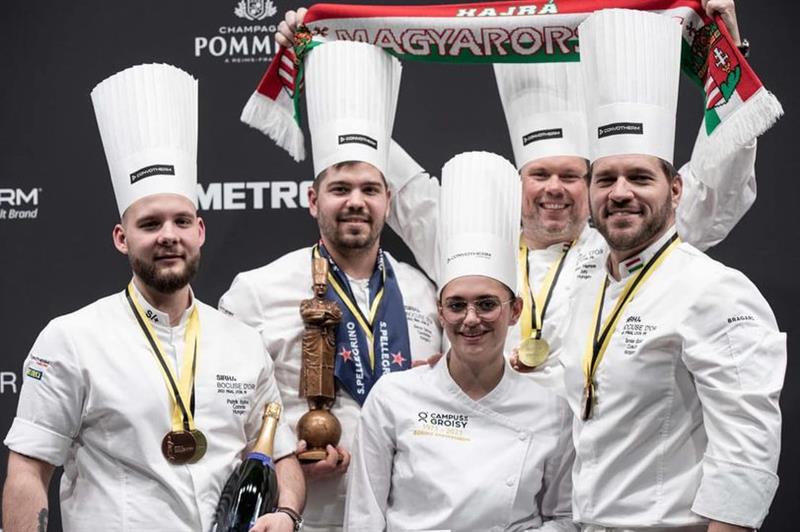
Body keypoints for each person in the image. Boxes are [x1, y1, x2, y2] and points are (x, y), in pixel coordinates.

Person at [2, 64, 304, 532]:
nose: (168, 235)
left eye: (181, 221)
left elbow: (281, 455)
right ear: (122, 238)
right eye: (150, 224)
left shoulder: (244, 343)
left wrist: (287, 514)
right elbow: (28, 471)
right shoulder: (72, 339)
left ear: (200, 231)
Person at [546, 9, 785, 531]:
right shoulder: (587, 287)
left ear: (676, 190)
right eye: (606, 179)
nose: (620, 193)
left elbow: (746, 452)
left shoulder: (714, 290)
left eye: (639, 177)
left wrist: (728, 49)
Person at [220, 41, 442, 532]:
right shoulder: (255, 291)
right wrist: (282, 464)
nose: (355, 202)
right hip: (308, 516)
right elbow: (226, 412)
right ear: (313, 199)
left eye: (370, 189)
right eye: (340, 189)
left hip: (409, 515)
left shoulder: (423, 292)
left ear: (388, 200)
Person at [345, 151, 575, 531]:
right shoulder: (392, 397)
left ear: (515, 310)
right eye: (456, 305)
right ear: (440, 311)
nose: (470, 319)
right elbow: (363, 517)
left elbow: (564, 517)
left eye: (486, 304)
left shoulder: (551, 411)